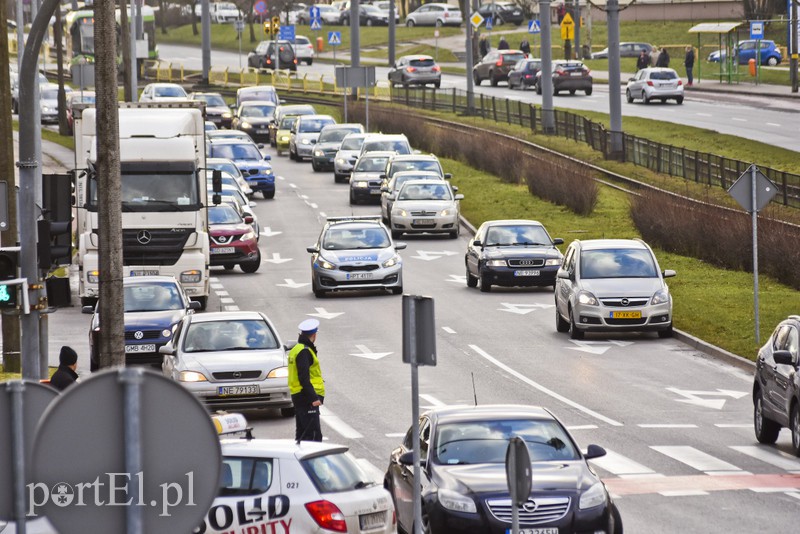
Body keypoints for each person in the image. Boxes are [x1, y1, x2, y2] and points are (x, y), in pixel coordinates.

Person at [287, 319, 325, 442]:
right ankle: (311, 461)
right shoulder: (304, 351)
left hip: (298, 395)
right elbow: (304, 377)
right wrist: (314, 398)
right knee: (313, 436)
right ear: (314, 335)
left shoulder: (297, 349)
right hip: (306, 397)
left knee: (302, 435)